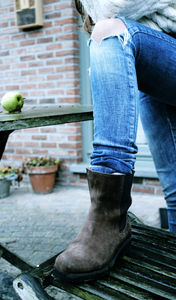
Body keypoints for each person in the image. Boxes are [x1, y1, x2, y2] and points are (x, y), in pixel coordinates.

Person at [53, 0, 176, 283]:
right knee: (174, 191)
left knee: (109, 32)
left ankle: (108, 218)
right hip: (149, 61)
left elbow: (111, 8)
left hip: (156, 47)